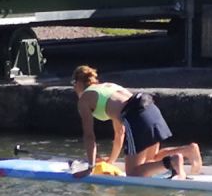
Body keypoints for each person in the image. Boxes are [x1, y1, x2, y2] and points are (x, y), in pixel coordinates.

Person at [71, 65, 203, 179]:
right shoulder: (108, 87)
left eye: (73, 85)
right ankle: (188, 150)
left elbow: (89, 136)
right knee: (150, 159)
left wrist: (90, 167)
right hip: (150, 107)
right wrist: (111, 161)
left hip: (135, 116)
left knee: (133, 173)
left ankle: (172, 162)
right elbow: (119, 132)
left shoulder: (84, 100)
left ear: (78, 83)